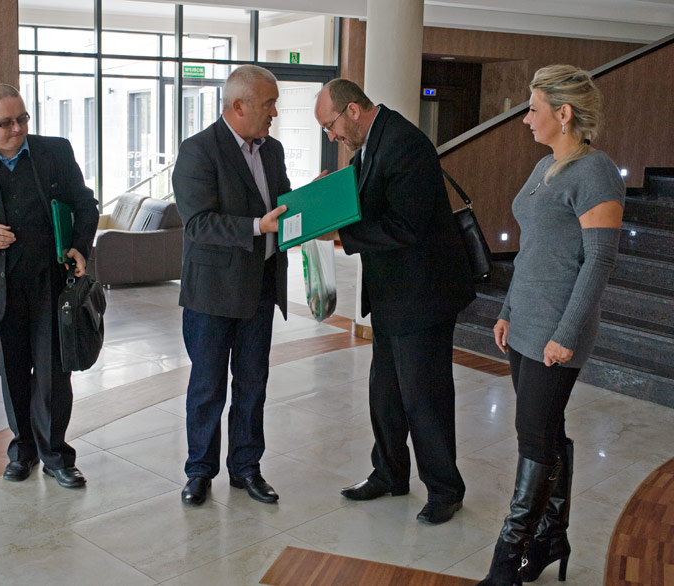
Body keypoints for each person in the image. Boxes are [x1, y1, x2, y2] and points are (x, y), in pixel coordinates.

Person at [477, 66, 624, 585]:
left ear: (563, 114)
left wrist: (566, 334)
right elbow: (532, 250)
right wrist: (508, 309)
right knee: (547, 430)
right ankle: (551, 536)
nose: (526, 119)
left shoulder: (596, 172)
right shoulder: (545, 166)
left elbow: (598, 262)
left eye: (532, 108)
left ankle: (508, 559)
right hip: (526, 322)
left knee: (534, 439)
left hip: (558, 329)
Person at [313, 79, 475, 524]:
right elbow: (363, 197)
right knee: (384, 394)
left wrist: (340, 235)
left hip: (423, 296)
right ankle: (389, 473)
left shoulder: (405, 144)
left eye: (331, 126)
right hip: (391, 295)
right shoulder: (370, 142)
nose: (332, 136)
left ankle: (445, 489)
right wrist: (324, 198)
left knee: (425, 397)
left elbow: (405, 227)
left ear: (352, 110)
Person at [0, 83, 98, 489]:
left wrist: (80, 246)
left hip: (50, 285)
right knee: (12, 374)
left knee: (53, 375)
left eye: (22, 119)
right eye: (6, 122)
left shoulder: (55, 152)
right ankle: (22, 451)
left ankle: (56, 455)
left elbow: (85, 204)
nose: (17, 129)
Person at [172, 65, 290, 506]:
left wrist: (309, 201)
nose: (274, 113)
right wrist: (257, 226)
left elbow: (281, 206)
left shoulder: (273, 151)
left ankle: (246, 468)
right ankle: (199, 472)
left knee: (253, 384)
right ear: (238, 106)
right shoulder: (198, 150)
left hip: (261, 287)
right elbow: (199, 223)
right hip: (213, 293)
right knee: (207, 388)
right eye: (268, 104)